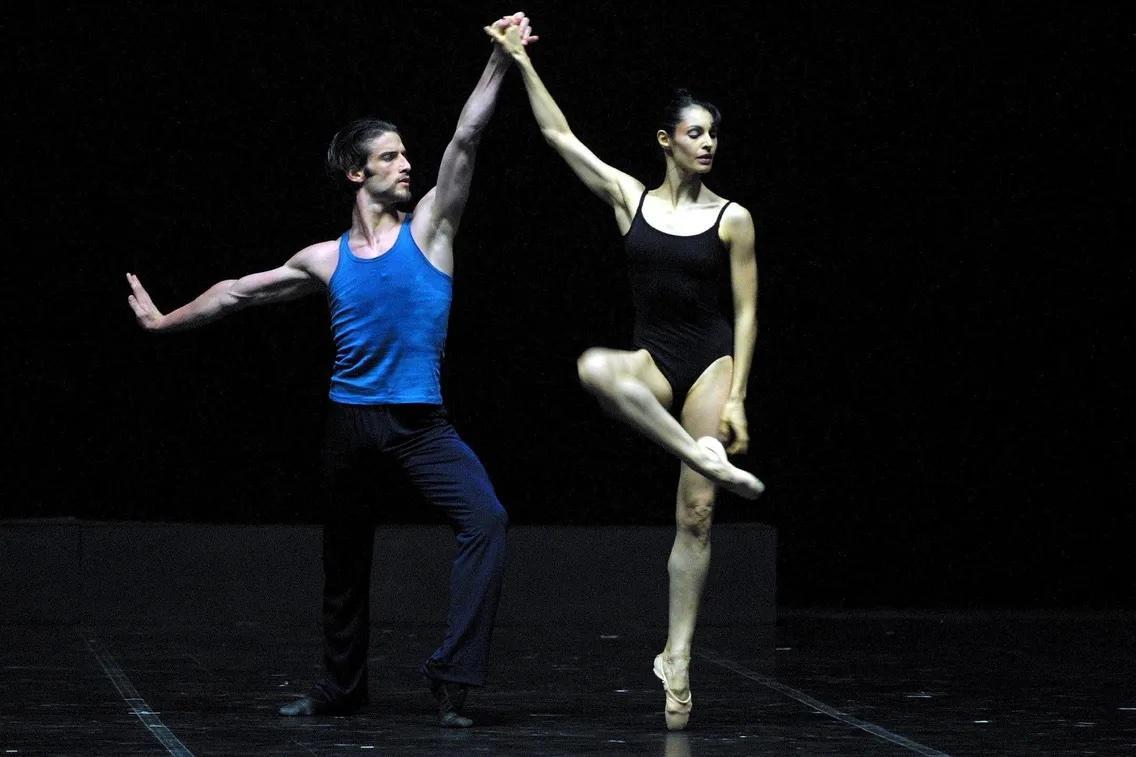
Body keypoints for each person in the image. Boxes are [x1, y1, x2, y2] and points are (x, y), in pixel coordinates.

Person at [126, 12, 539, 728]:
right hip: (349, 425)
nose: (406, 164)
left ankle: (452, 676)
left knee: (487, 520)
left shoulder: (432, 228)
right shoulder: (325, 258)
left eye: (406, 155)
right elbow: (237, 293)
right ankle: (342, 687)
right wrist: (164, 321)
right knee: (344, 562)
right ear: (357, 172)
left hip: (419, 424)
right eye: (390, 157)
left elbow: (466, 136)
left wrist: (501, 59)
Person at [486, 23, 764, 731]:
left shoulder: (733, 219)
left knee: (696, 514)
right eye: (695, 133)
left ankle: (678, 655)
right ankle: (696, 451)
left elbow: (747, 311)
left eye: (714, 134)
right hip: (653, 358)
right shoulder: (629, 199)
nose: (708, 143)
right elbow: (559, 136)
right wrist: (519, 62)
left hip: (709, 362)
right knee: (593, 368)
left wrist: (736, 398)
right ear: (666, 140)